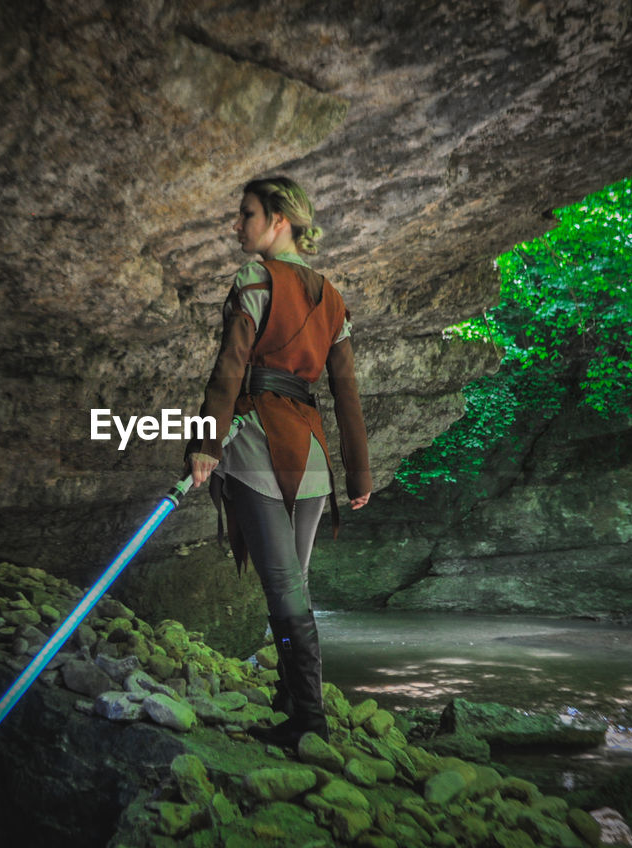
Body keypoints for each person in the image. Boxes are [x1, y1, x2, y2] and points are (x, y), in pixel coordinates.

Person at [185, 176, 372, 746]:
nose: (236, 225)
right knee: (295, 580)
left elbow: (230, 369)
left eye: (246, 215)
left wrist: (205, 442)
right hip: (311, 456)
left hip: (261, 444)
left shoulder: (255, 279)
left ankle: (307, 721)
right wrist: (359, 471)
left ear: (278, 221)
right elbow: (345, 393)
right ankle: (292, 697)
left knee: (284, 587)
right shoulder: (331, 294)